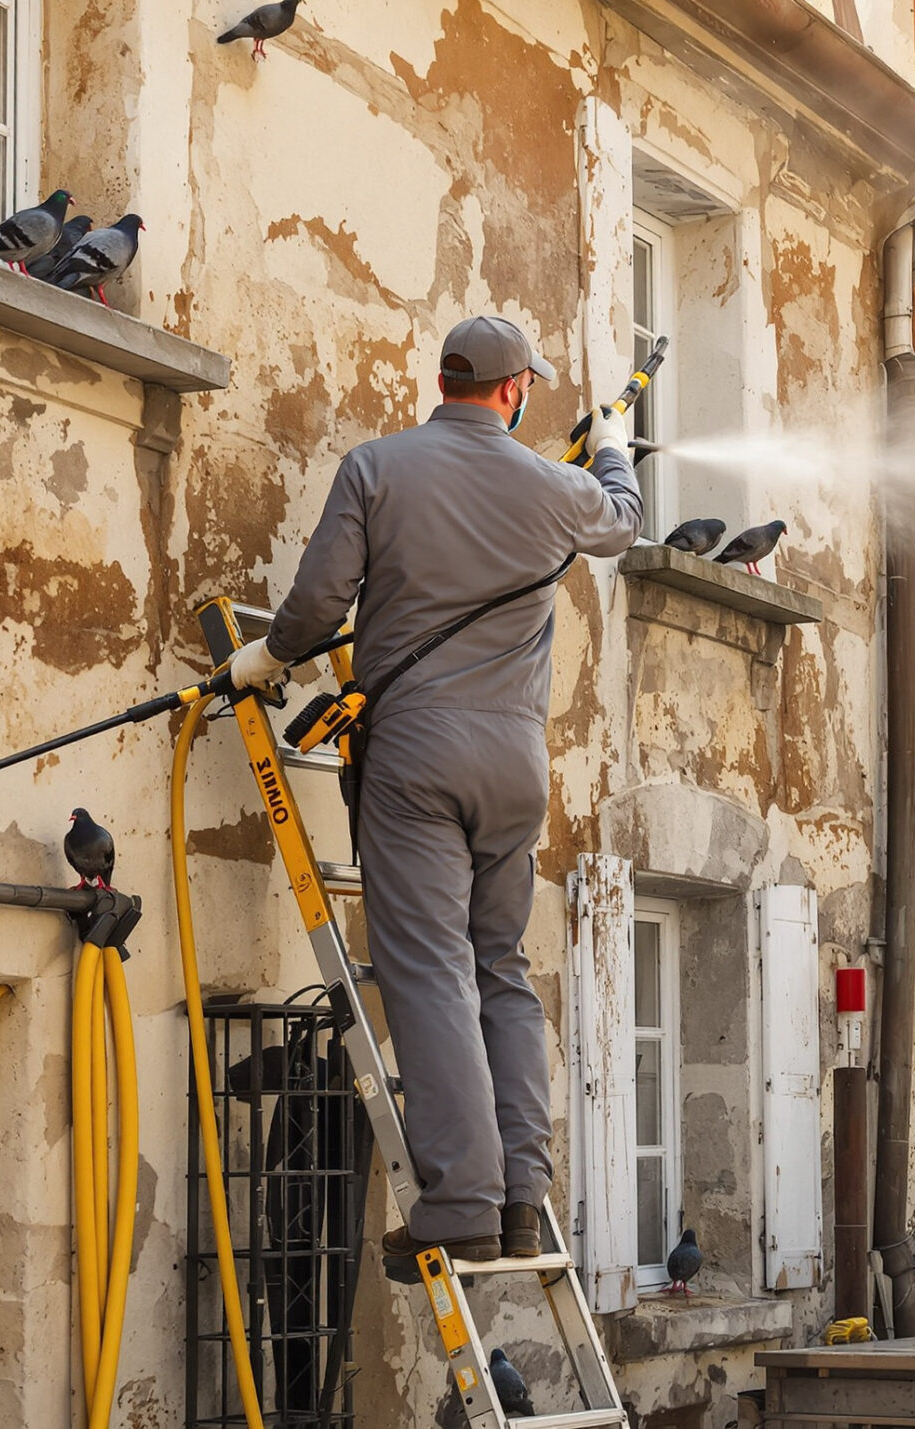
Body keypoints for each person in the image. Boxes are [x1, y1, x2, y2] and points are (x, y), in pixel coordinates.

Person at [229, 315, 643, 1269]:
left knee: (429, 970)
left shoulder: (377, 468)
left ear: (450, 380)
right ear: (514, 391)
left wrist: (266, 658)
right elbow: (622, 522)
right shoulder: (556, 488)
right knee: (498, 967)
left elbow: (318, 603)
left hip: (416, 757)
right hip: (514, 764)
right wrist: (613, 449)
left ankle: (459, 1205)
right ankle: (519, 1199)